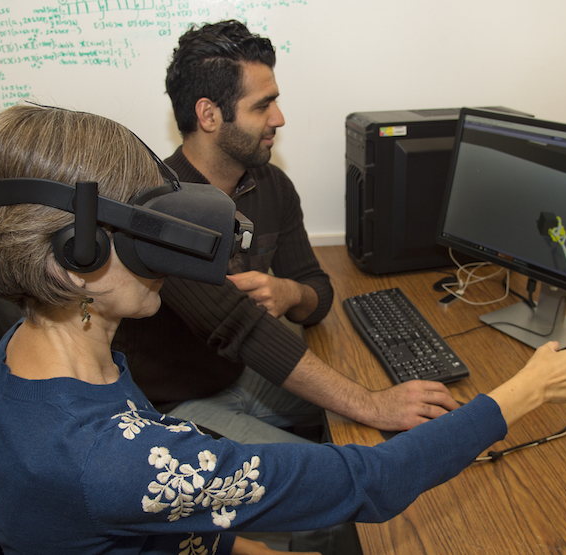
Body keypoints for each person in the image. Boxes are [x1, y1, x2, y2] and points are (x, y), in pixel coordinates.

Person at [0, 103, 566, 555]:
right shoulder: (101, 458)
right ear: (76, 260)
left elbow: (151, 514)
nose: (165, 253)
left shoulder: (34, 353)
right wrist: (521, 393)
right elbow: (372, 479)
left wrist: (235, 543)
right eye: (143, 228)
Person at [113, 20, 459, 445]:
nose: (279, 118)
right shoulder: (162, 211)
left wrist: (290, 293)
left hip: (244, 377)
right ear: (209, 115)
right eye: (262, 106)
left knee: (399, 401)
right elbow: (242, 328)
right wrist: (372, 404)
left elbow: (318, 291)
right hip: (172, 410)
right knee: (330, 483)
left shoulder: (271, 184)